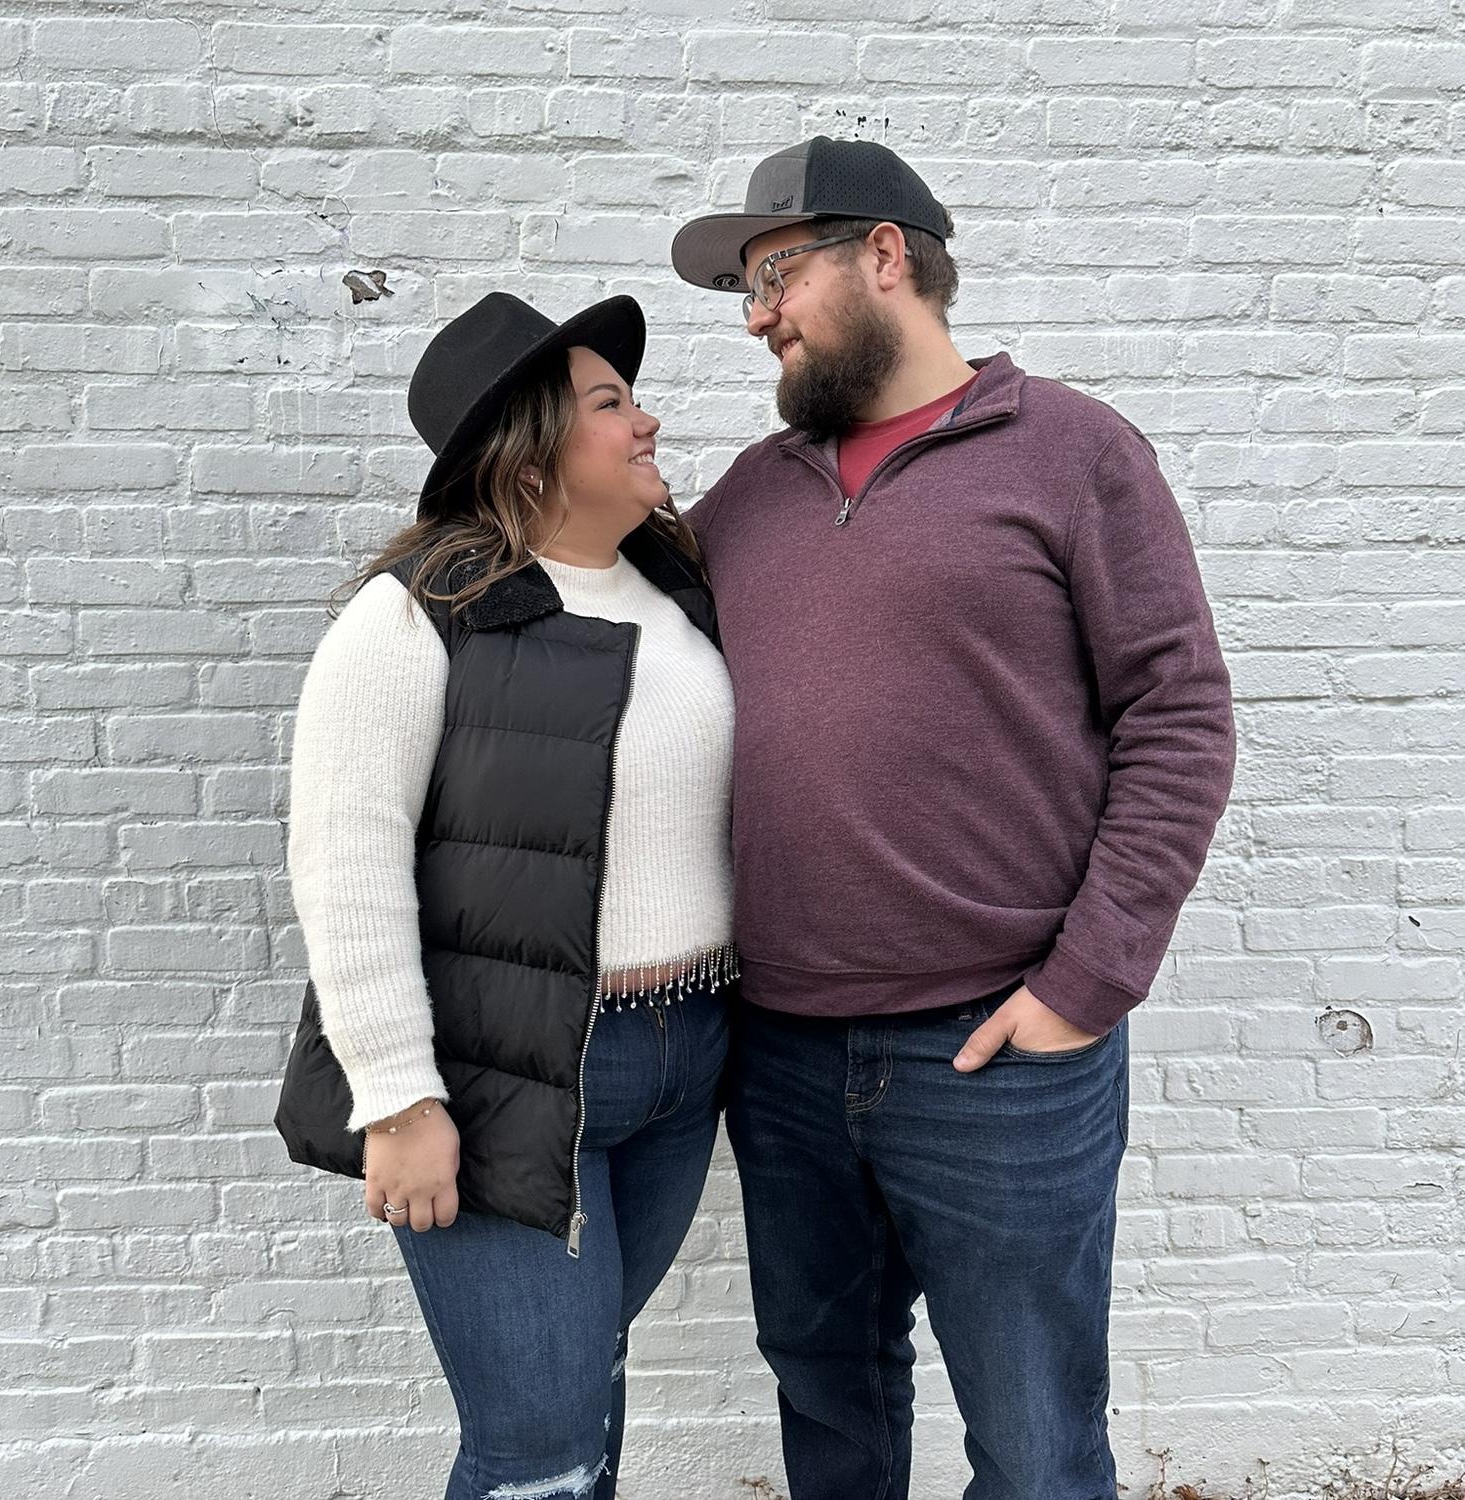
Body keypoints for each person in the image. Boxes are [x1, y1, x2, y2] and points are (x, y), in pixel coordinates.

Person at [670, 136, 1238, 1500]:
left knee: (1036, 1448)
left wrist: (1086, 985)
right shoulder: (747, 497)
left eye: (774, 276)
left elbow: (1178, 717)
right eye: (745, 291)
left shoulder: (1072, 453)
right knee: (830, 1400)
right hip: (783, 1051)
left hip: (997, 1051)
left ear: (884, 255)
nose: (755, 318)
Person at [273, 292, 737, 1500]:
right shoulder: (419, 612)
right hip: (502, 1079)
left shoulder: (677, 591)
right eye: (611, 403)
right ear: (529, 453)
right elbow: (346, 858)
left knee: (589, 1399)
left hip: (683, 1056)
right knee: (537, 1447)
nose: (648, 421)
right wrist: (397, 1101)